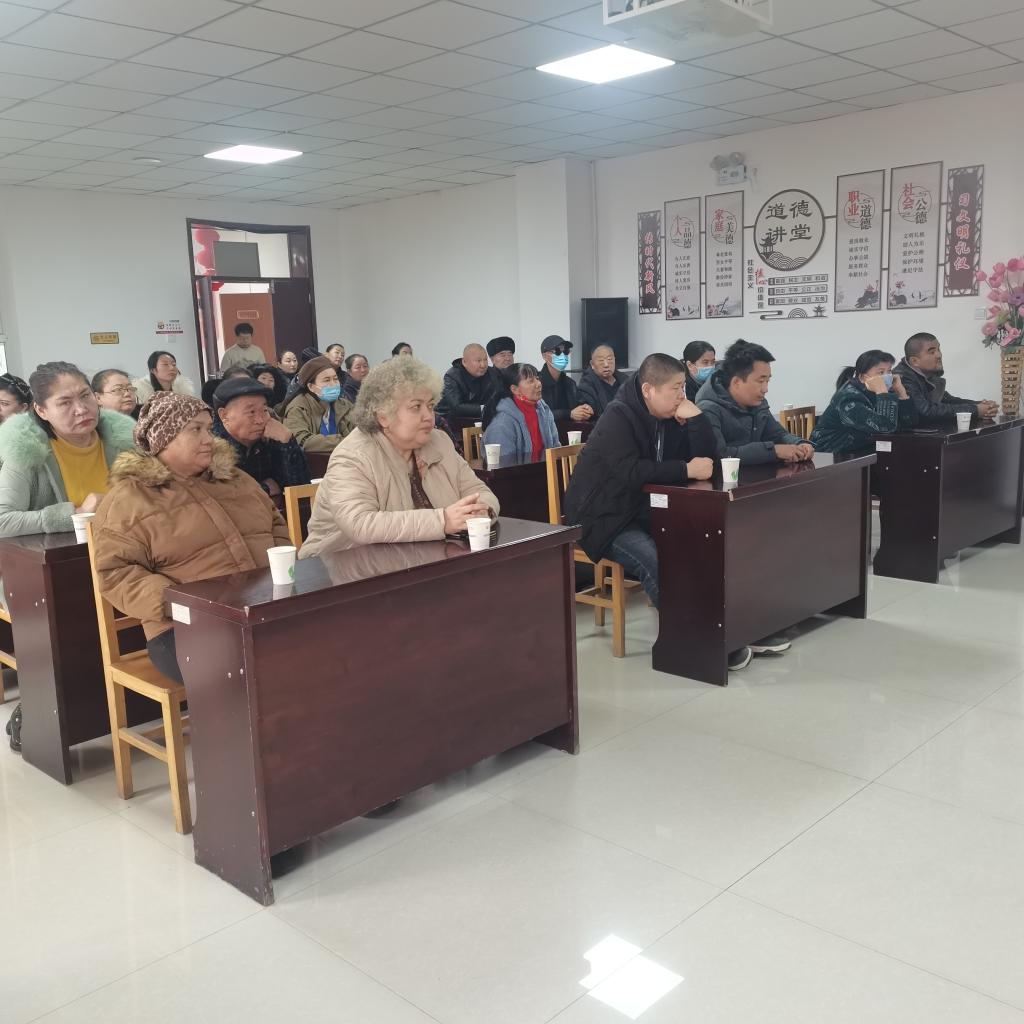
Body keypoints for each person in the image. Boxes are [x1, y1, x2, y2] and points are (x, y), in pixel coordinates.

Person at [91, 392, 291, 684]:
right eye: (195, 430)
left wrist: (279, 575)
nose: (209, 439)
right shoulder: (129, 501)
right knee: (253, 670)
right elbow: (116, 573)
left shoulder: (235, 479)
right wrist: (176, 602)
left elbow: (275, 525)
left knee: (326, 642)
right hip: (182, 627)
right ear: (163, 438)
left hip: (262, 608)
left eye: (208, 429)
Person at [300, 357, 498, 560]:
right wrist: (442, 520)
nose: (428, 416)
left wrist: (482, 511)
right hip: (338, 565)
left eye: (430, 406)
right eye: (416, 407)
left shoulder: (439, 441)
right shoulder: (352, 456)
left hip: (420, 560)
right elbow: (360, 524)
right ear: (383, 416)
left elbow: (480, 492)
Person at [0, 361, 136, 537]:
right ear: (41, 411)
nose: (81, 409)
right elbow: (3, 521)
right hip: (65, 553)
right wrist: (77, 514)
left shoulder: (123, 443)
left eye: (85, 395)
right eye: (65, 403)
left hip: (129, 547)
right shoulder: (27, 452)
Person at [696, 340, 813, 464]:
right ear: (736, 382)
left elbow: (778, 434)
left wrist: (799, 444)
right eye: (760, 381)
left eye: (767, 381)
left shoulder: (757, 403)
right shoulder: (708, 409)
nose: (765, 389)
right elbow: (720, 456)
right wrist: (773, 451)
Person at [212, 376, 310, 498]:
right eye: (251, 412)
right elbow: (224, 495)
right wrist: (265, 488)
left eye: (264, 410)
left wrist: (287, 442)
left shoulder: (271, 437)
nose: (260, 420)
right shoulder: (211, 446)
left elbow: (302, 490)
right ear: (224, 415)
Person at [810, 350, 917, 456]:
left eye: (889, 371)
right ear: (862, 377)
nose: (887, 376)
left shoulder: (879, 393)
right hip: (831, 454)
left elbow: (909, 423)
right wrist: (882, 393)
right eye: (881, 372)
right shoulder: (848, 398)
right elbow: (885, 428)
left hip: (860, 450)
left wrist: (901, 392)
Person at [892, 333, 999, 423]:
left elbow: (948, 401)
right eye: (932, 352)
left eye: (938, 349)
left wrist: (981, 405)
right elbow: (925, 412)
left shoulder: (925, 374)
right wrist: (976, 410)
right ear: (915, 361)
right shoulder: (901, 378)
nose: (939, 355)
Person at [482, 363, 559, 459]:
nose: (539, 384)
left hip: (546, 467)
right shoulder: (502, 422)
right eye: (531, 381)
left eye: (537, 379)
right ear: (515, 389)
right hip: (515, 468)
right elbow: (504, 463)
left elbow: (556, 447)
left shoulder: (544, 410)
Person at [282, 355, 355, 453]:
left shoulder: (345, 405)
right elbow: (302, 441)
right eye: (327, 380)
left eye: (335, 379)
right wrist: (344, 442)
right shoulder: (298, 408)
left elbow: (360, 432)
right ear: (311, 387)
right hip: (313, 461)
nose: (334, 384)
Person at [437, 343, 500, 418]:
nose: (483, 365)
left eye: (485, 360)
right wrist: (485, 409)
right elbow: (456, 407)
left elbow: (501, 396)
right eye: (478, 361)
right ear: (464, 362)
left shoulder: (492, 373)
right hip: (449, 419)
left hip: (481, 418)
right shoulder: (452, 376)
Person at [540, 335, 592, 423]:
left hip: (571, 430)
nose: (563, 355)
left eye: (566, 351)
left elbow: (580, 403)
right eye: (557, 351)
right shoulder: (537, 384)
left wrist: (586, 408)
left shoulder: (570, 383)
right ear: (545, 356)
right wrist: (569, 414)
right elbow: (540, 415)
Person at [577, 344, 628, 418]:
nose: (606, 364)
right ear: (592, 364)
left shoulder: (625, 380)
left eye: (610, 359)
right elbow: (589, 412)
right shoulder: (586, 385)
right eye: (601, 360)